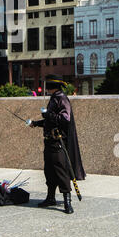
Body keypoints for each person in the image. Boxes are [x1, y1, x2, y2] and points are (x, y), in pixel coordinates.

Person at [30, 74, 85, 214]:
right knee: (49, 171)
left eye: (47, 85)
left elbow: (64, 119)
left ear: (52, 86)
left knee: (60, 170)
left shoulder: (61, 98)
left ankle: (67, 202)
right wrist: (36, 123)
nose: (45, 88)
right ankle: (50, 198)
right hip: (49, 141)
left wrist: (47, 114)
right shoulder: (54, 98)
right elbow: (51, 121)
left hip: (58, 143)